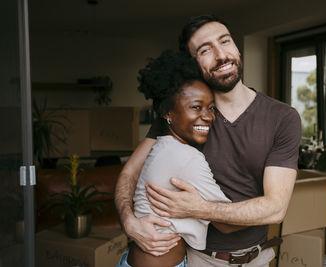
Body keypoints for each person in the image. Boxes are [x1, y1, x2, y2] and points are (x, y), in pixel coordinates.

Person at [115, 15, 301, 266]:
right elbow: (129, 174)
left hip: (257, 258)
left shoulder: (283, 117)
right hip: (196, 258)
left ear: (235, 45)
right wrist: (130, 222)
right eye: (205, 50)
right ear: (194, 64)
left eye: (225, 41)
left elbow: (276, 209)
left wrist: (198, 208)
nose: (221, 55)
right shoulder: (182, 117)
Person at [117, 50, 244, 267]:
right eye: (196, 107)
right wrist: (269, 207)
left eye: (211, 107)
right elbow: (227, 224)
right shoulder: (187, 157)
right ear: (167, 113)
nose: (208, 116)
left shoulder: (161, 145)